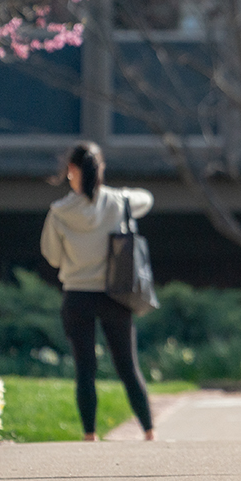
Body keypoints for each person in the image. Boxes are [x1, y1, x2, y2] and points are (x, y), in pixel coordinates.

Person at [40, 141, 156, 442]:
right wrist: (122, 193)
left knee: (85, 369)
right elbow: (147, 199)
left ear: (71, 171)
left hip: (77, 296)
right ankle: (148, 431)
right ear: (100, 169)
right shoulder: (118, 202)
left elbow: (52, 257)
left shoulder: (59, 212)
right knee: (128, 367)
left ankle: (90, 435)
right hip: (115, 294)